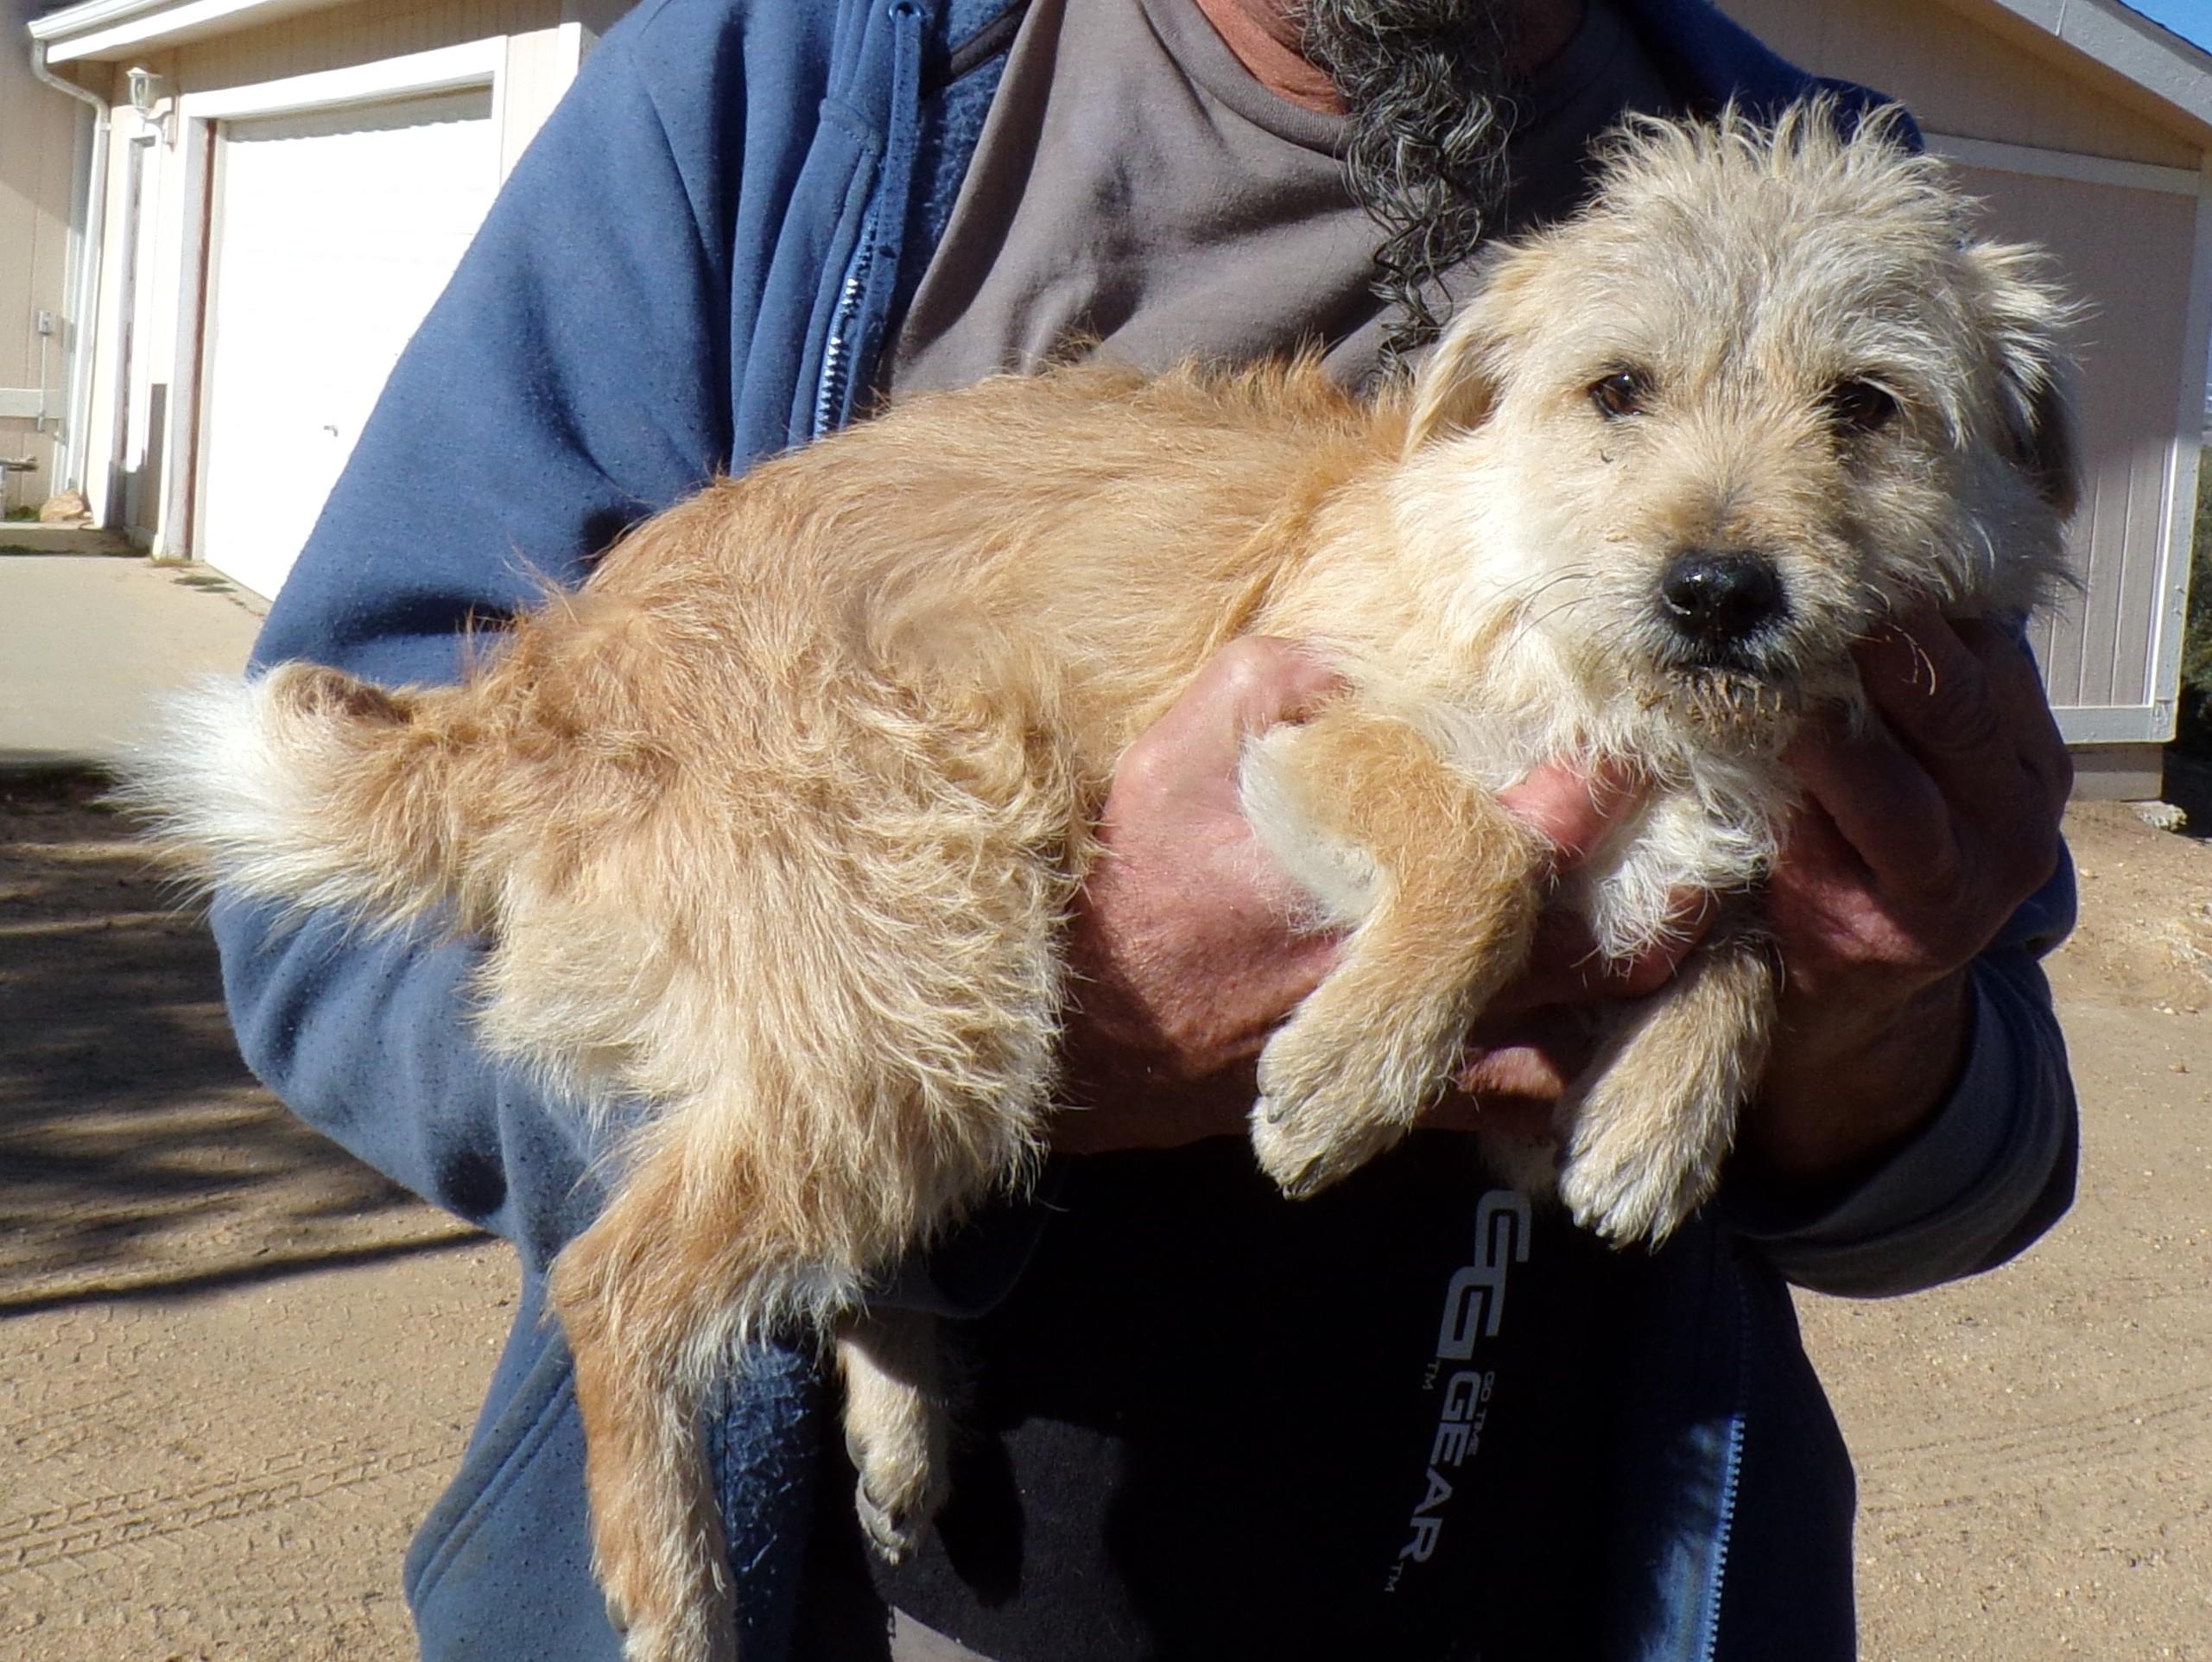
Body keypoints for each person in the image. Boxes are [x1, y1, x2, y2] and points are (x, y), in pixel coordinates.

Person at [211, 2, 2079, 1658]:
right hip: (903, 1599)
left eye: (1857, 414)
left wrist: (1874, 1012)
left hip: (1568, 1567)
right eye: (1622, 393)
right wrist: (1022, 1044)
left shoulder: (1840, 193)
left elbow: (1987, 1142)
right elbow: (336, 907)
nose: (1753, 477)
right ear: (1496, 392)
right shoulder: (774, 83)